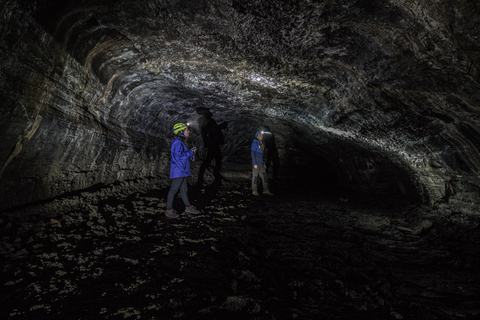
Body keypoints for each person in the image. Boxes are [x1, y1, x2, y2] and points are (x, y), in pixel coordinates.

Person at [165, 123, 201, 218]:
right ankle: (168, 210)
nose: (188, 131)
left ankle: (188, 207)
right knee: (173, 190)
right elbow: (179, 156)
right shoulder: (177, 143)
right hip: (179, 171)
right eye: (186, 129)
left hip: (182, 170)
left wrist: (190, 151)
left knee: (184, 189)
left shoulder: (181, 142)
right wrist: (191, 152)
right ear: (181, 132)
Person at [196, 107, 228, 186]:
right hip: (212, 143)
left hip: (213, 143)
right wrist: (221, 126)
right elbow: (211, 130)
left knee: (214, 159)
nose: (209, 111)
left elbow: (212, 130)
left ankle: (208, 178)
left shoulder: (206, 120)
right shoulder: (205, 120)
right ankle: (212, 178)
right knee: (212, 160)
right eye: (207, 110)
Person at [251, 131, 273, 196]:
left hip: (261, 164)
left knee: (265, 177)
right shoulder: (254, 143)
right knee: (255, 177)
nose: (261, 136)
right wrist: (254, 163)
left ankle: (266, 190)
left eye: (262, 135)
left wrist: (263, 163)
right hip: (256, 164)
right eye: (260, 135)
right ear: (257, 136)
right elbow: (252, 153)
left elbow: (262, 156)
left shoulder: (262, 144)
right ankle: (254, 191)